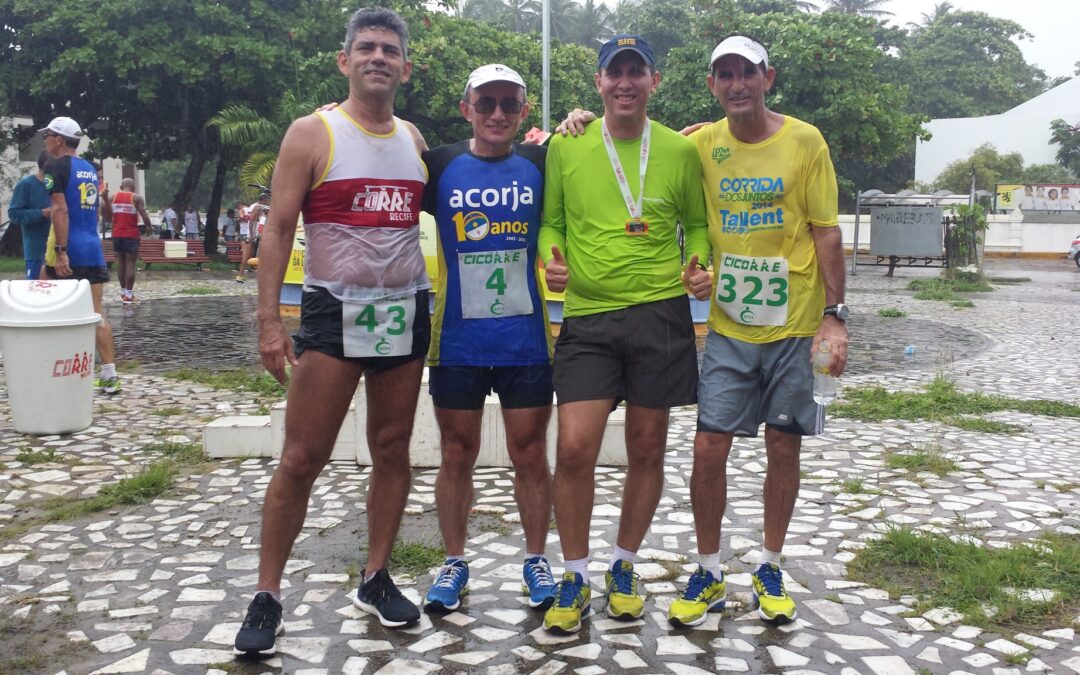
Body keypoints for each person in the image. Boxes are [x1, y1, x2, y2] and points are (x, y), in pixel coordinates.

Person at [233, 7, 430, 656]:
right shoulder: (311, 134)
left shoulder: (416, 141)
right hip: (332, 315)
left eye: (390, 49)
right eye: (366, 48)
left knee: (393, 447)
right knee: (301, 457)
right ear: (345, 61)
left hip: (403, 312)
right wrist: (269, 322)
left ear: (406, 66)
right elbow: (278, 229)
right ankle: (267, 592)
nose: (378, 57)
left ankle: (376, 575)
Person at [664, 35, 847, 627]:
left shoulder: (805, 141)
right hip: (728, 328)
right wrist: (577, 122)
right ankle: (710, 568)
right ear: (713, 85)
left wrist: (835, 317)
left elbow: (826, 232)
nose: (737, 83)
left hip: (795, 326)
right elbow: (642, 155)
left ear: (769, 77)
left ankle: (770, 563)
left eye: (747, 72)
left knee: (782, 444)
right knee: (708, 445)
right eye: (725, 74)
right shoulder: (700, 144)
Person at [537, 34, 709, 634]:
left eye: (638, 72)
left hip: (661, 313)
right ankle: (576, 572)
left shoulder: (679, 152)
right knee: (574, 448)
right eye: (616, 72)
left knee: (646, 447)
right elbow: (551, 222)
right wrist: (549, 261)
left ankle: (625, 564)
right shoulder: (568, 143)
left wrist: (701, 266)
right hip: (587, 314)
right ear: (600, 82)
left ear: (654, 81)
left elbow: (697, 224)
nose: (626, 82)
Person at [420, 63, 556, 614]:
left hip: (525, 340)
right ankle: (454, 561)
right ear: (466, 108)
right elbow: (379, 149)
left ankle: (535, 559)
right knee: (457, 454)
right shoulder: (439, 165)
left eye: (509, 104)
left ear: (523, 111)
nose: (497, 113)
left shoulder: (545, 163)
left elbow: (609, 149)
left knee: (529, 453)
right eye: (486, 103)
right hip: (457, 341)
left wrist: (581, 120)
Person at [39, 116, 123, 394]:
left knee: (48, 310)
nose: (45, 140)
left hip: (70, 247)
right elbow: (95, 209)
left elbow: (60, 211)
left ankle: (54, 371)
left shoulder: (55, 166)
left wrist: (61, 251)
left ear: (59, 139)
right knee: (96, 313)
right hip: (91, 246)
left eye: (47, 136)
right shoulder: (88, 167)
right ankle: (109, 375)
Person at [104, 177, 152, 303]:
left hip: (117, 234)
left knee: (121, 263)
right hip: (131, 234)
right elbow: (144, 214)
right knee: (130, 263)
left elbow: (107, 215)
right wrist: (149, 227)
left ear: (121, 186)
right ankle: (129, 295)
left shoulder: (112, 197)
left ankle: (123, 291)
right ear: (133, 187)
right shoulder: (136, 198)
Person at [7, 151, 51, 279]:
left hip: (59, 249)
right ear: (47, 165)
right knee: (36, 290)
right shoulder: (25, 185)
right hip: (36, 250)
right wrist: (41, 213)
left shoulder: (59, 185)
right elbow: (14, 213)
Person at [237, 193, 269, 282]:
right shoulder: (257, 207)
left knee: (250, 255)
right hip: (250, 234)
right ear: (263, 200)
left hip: (254, 234)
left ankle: (242, 274)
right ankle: (240, 274)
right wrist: (251, 235)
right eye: (267, 201)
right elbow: (251, 221)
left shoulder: (259, 207)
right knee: (246, 255)